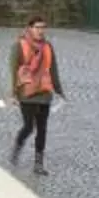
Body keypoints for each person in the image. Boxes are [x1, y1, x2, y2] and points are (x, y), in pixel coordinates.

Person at [10, 17, 64, 174]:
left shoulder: (48, 47)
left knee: (42, 128)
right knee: (28, 126)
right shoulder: (19, 45)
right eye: (37, 27)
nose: (40, 30)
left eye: (43, 27)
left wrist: (59, 91)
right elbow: (13, 69)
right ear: (29, 28)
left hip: (44, 92)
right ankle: (18, 146)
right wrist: (13, 93)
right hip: (26, 92)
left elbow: (53, 69)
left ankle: (38, 164)